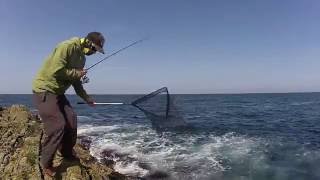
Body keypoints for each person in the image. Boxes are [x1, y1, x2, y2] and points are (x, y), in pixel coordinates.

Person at [32, 32, 105, 176]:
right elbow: (56, 70)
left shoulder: (82, 58)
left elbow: (76, 82)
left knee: (71, 120)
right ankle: (46, 163)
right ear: (89, 43)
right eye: (95, 49)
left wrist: (87, 98)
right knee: (57, 125)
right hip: (44, 90)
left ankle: (65, 152)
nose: (95, 53)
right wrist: (76, 73)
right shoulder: (67, 46)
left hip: (58, 93)